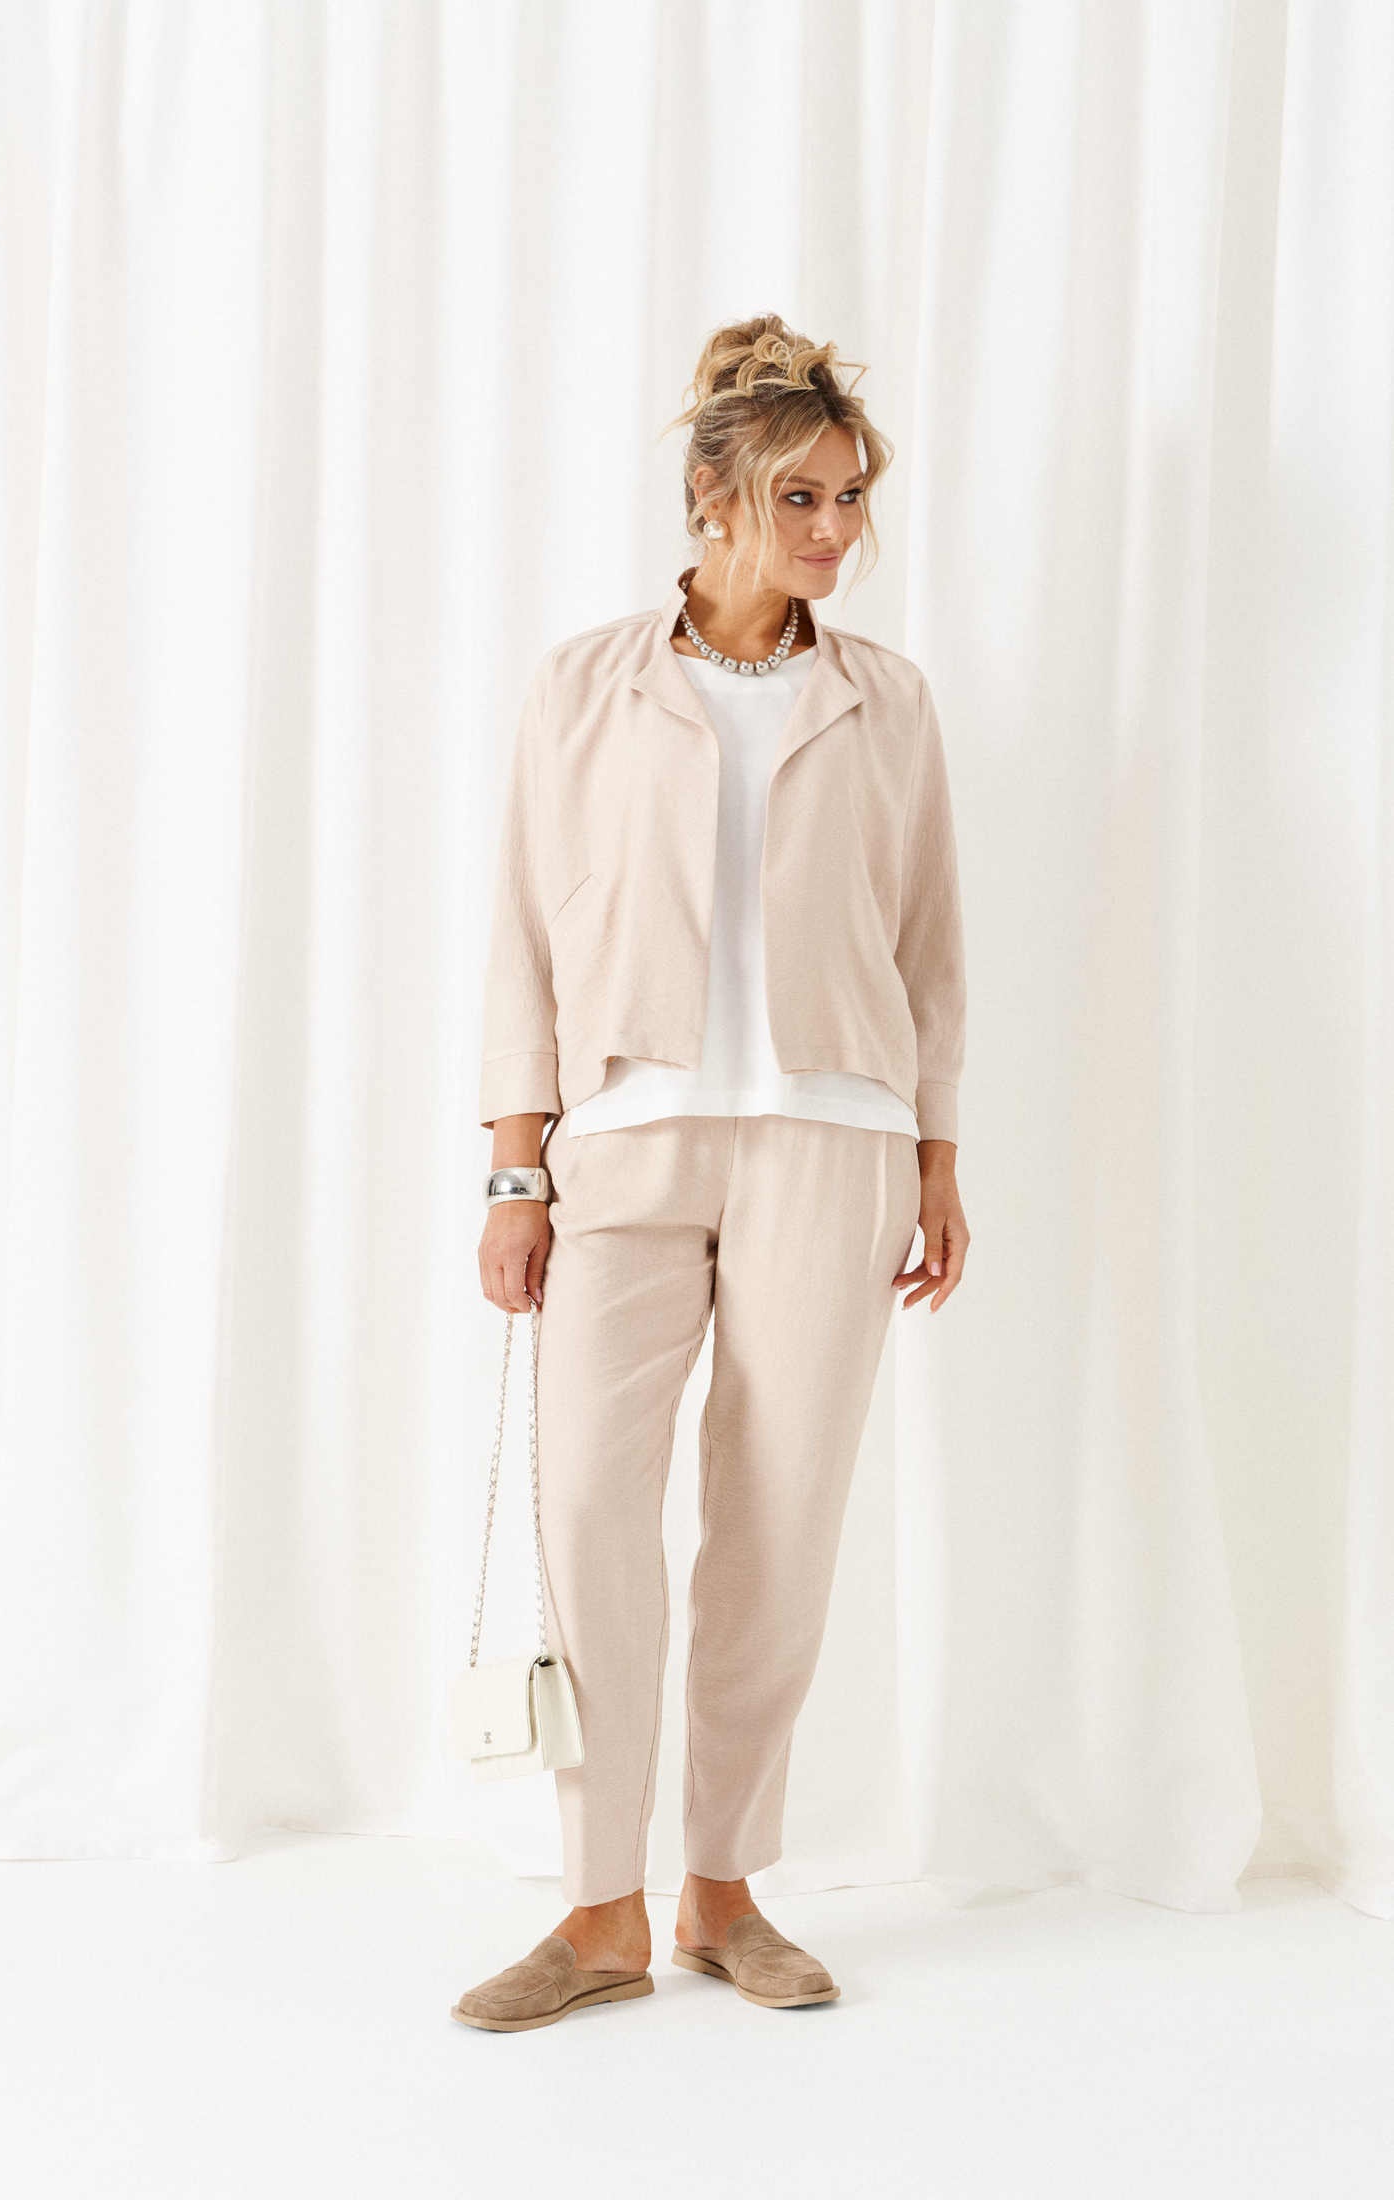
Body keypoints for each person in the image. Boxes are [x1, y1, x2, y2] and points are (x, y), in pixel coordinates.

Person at [453, 314, 969, 2031]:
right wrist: (514, 1168)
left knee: (777, 1525)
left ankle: (723, 1893)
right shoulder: (584, 686)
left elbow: (931, 944)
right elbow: (522, 934)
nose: (832, 528)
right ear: (712, 498)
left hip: (835, 1139)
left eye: (850, 496)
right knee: (595, 1512)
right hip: (622, 1139)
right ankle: (598, 1909)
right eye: (799, 496)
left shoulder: (886, 699)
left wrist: (939, 1155)